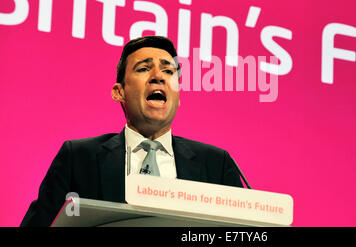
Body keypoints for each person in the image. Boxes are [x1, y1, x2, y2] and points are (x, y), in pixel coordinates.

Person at [21, 36, 243, 227]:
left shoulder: (217, 165)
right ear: (119, 92)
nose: (159, 76)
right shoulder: (78, 158)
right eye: (144, 68)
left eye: (168, 70)